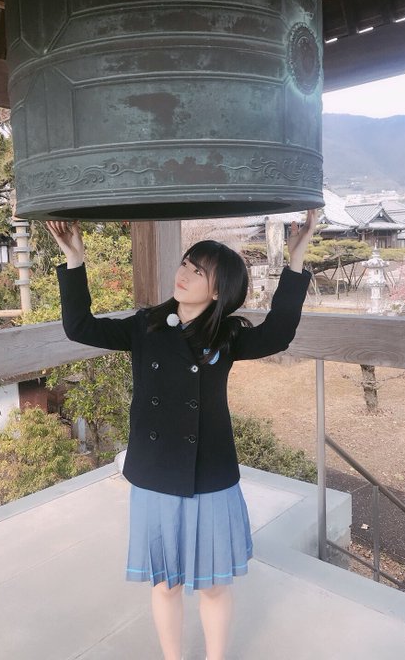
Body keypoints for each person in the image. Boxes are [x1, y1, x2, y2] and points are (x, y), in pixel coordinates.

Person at [47, 210, 317, 660]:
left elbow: (279, 334)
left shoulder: (228, 336)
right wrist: (75, 259)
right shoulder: (145, 326)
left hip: (208, 473)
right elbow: (80, 327)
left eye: (198, 272)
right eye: (185, 264)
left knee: (213, 585)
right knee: (166, 583)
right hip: (155, 473)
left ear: (219, 290)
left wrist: (296, 259)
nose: (184, 274)